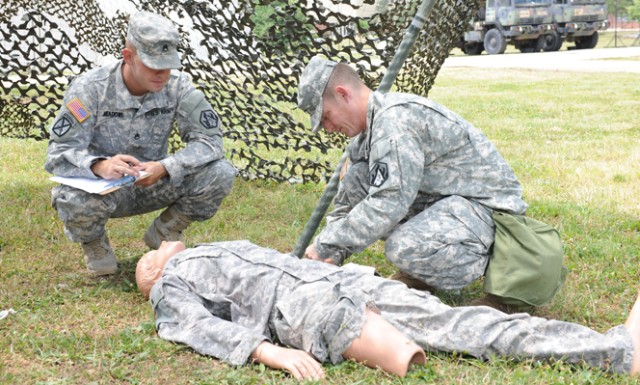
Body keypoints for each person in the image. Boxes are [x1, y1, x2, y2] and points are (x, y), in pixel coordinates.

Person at [136, 240, 640, 381]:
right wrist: (269, 353)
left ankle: (616, 349)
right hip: (309, 308)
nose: (158, 249)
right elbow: (198, 328)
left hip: (346, 281)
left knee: (468, 324)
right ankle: (618, 352)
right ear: (154, 274)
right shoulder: (170, 286)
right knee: (414, 351)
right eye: (151, 256)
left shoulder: (211, 248)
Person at [297, 55, 532, 311]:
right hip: (449, 203)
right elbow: (347, 204)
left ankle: (508, 276)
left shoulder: (395, 123)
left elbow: (389, 202)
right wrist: (330, 254)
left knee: (403, 246)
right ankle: (422, 273)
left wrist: (325, 244)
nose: (329, 128)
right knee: (358, 179)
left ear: (343, 94)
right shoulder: (365, 138)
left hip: (490, 211)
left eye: (327, 117)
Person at [44, 11, 236, 276]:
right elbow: (58, 152)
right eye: (152, 65)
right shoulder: (90, 89)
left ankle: (167, 230)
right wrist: (99, 165)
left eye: (168, 66)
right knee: (70, 197)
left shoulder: (179, 88)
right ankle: (95, 245)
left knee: (220, 171)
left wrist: (166, 166)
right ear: (128, 56)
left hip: (153, 183)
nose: (162, 74)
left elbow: (210, 141)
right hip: (105, 190)